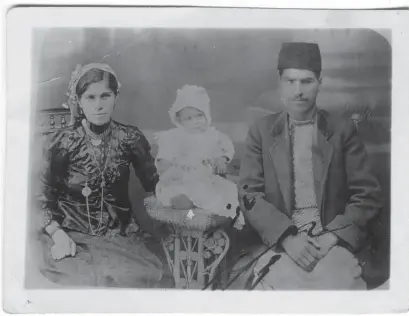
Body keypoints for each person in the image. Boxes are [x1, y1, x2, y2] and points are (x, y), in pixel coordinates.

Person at [230, 42, 383, 289]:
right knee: (275, 287)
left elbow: (367, 195)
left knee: (336, 285)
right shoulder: (262, 131)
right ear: (279, 81)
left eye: (307, 81)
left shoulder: (342, 131)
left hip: (331, 241)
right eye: (290, 81)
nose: (298, 91)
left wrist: (332, 236)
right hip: (282, 242)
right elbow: (249, 194)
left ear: (320, 81)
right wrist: (287, 237)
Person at [36, 63, 173, 288]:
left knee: (143, 276)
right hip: (72, 233)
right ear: (79, 101)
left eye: (105, 96)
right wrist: (57, 234)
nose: (99, 105)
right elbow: (42, 197)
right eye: (90, 97)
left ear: (115, 96)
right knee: (84, 279)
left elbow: (154, 183)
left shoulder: (130, 138)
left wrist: (189, 178)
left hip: (120, 235)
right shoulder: (62, 142)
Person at [154, 85, 243, 227]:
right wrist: (165, 168)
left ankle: (197, 215)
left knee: (223, 192)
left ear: (206, 114)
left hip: (205, 179)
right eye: (189, 118)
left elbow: (225, 146)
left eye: (199, 115)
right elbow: (165, 156)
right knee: (179, 195)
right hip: (181, 179)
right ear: (180, 120)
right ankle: (187, 212)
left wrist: (222, 158)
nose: (196, 121)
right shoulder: (175, 136)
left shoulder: (213, 135)